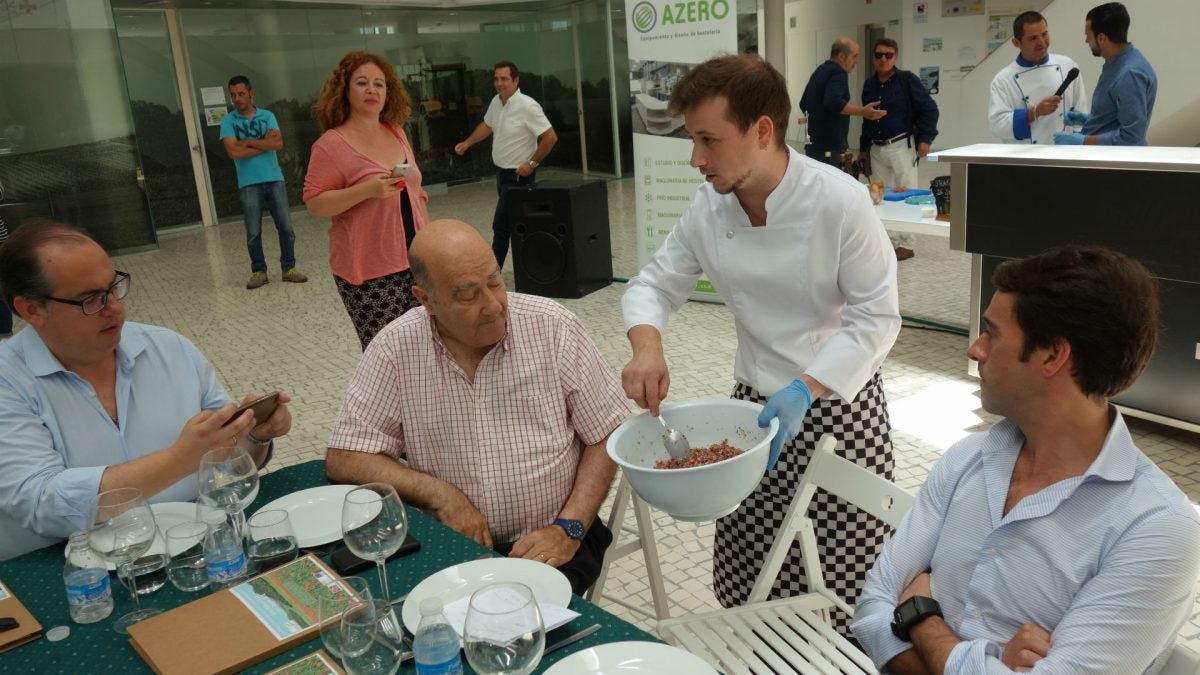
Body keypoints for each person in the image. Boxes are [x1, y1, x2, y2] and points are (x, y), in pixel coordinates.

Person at [621, 54, 900, 635]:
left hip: (838, 408)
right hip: (753, 408)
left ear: (763, 131)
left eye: (708, 140)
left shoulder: (839, 201)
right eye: (691, 141)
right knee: (752, 569)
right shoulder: (710, 206)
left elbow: (876, 317)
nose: (696, 159)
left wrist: (807, 385)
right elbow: (654, 283)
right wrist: (647, 347)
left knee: (842, 577)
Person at [851, 245, 1200, 674]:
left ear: (1053, 356)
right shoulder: (968, 459)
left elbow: (894, 607)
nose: (974, 350)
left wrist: (920, 617)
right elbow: (871, 609)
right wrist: (987, 663)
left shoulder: (1156, 529)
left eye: (992, 333)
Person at [325, 219, 629, 594]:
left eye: (495, 281)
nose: (493, 305)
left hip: (556, 537)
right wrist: (440, 495)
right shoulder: (396, 348)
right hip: (450, 545)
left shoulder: (552, 328)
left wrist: (570, 527)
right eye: (467, 295)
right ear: (425, 300)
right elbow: (347, 456)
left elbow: (609, 432)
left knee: (517, 631)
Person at [0, 219, 293, 560]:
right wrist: (178, 460)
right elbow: (37, 501)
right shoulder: (9, 378)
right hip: (69, 574)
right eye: (90, 300)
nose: (115, 308)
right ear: (31, 309)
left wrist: (255, 436)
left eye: (112, 288)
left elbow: (224, 464)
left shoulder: (168, 349)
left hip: (189, 551)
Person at [305, 51, 430, 350]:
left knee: (426, 348)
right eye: (362, 83)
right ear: (345, 90)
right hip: (370, 270)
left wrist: (432, 244)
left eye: (380, 84)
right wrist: (366, 190)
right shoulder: (331, 144)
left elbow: (417, 192)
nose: (372, 90)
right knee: (387, 355)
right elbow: (315, 202)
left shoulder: (395, 131)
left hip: (416, 259)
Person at [453, 61, 558, 268]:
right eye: (496, 79)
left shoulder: (527, 106)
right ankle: (533, 266)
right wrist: (467, 143)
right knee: (516, 223)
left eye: (504, 79)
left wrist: (532, 163)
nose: (499, 83)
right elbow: (487, 125)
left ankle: (493, 274)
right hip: (502, 175)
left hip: (519, 176)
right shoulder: (496, 102)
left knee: (500, 225)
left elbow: (550, 137)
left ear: (516, 80)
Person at [219, 75, 307, 290]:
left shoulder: (267, 116)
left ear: (251, 93)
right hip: (248, 183)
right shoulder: (228, 121)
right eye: (233, 95)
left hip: (274, 179)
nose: (237, 99)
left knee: (286, 227)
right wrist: (262, 143)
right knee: (253, 232)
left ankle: (289, 269)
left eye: (241, 94)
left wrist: (247, 142)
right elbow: (233, 151)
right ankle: (259, 271)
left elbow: (277, 143)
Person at [858, 38, 939, 261]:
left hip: (901, 145)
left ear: (896, 57)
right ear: (873, 57)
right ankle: (888, 242)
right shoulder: (869, 85)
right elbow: (866, 120)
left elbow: (929, 109)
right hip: (876, 147)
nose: (883, 59)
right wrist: (863, 148)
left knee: (907, 195)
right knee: (879, 196)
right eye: (879, 55)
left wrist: (925, 139)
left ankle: (907, 244)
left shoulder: (906, 80)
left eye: (888, 54)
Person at [1054, 2, 1156, 146]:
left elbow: (1132, 136)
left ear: (1101, 38)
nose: (1086, 40)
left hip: (1115, 164)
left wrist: (1084, 141)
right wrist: (1088, 119)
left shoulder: (1129, 75)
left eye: (1087, 35)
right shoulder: (1117, 62)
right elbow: (1117, 115)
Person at [988, 12, 1087, 146]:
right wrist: (1034, 112)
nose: (1041, 42)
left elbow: (1080, 111)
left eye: (1044, 34)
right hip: (1026, 158)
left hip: (1065, 153)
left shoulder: (1068, 66)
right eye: (1033, 38)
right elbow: (997, 126)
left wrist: (1079, 145)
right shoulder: (1003, 80)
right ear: (1016, 42)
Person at [799, 37, 886, 169]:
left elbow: (803, 103)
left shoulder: (819, 71)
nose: (856, 61)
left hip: (813, 146)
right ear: (841, 56)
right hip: (831, 147)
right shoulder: (838, 73)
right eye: (854, 56)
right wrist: (864, 112)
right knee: (832, 187)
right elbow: (833, 102)